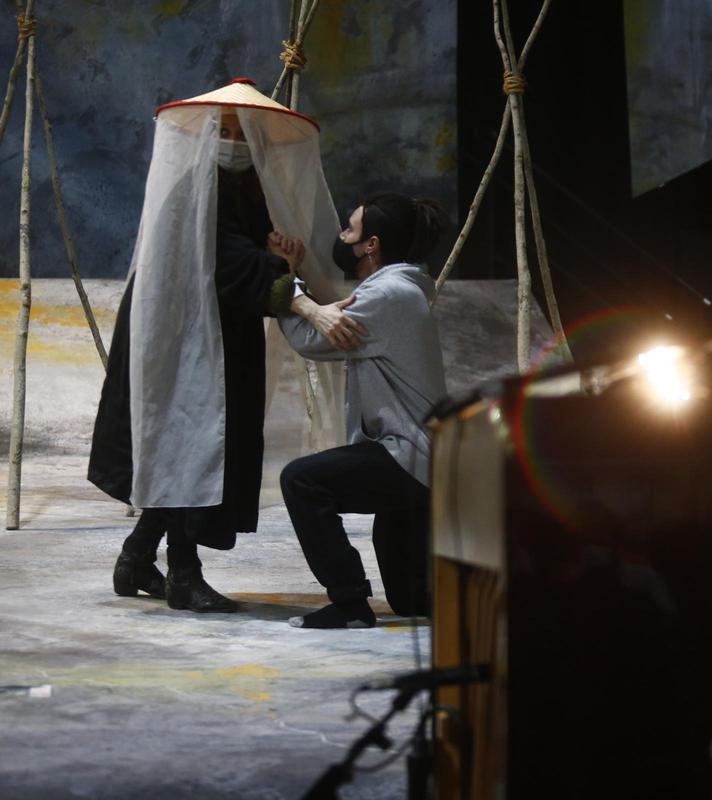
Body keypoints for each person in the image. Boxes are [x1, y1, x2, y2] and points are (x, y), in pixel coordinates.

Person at [90, 79, 349, 613]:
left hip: (221, 334)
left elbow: (246, 258)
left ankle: (137, 557)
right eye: (224, 131)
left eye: (241, 133)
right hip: (179, 335)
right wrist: (279, 268)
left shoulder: (247, 188)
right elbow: (225, 259)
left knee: (197, 447)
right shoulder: (195, 187)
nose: (233, 142)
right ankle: (182, 574)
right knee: (190, 443)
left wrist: (280, 257)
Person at [274, 192, 448, 629]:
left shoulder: (387, 295)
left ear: (371, 244)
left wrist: (283, 282)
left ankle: (349, 602)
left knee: (302, 480)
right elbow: (327, 318)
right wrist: (302, 286)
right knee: (411, 601)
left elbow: (311, 338)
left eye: (349, 230)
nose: (342, 237)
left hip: (408, 455)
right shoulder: (399, 290)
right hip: (424, 459)